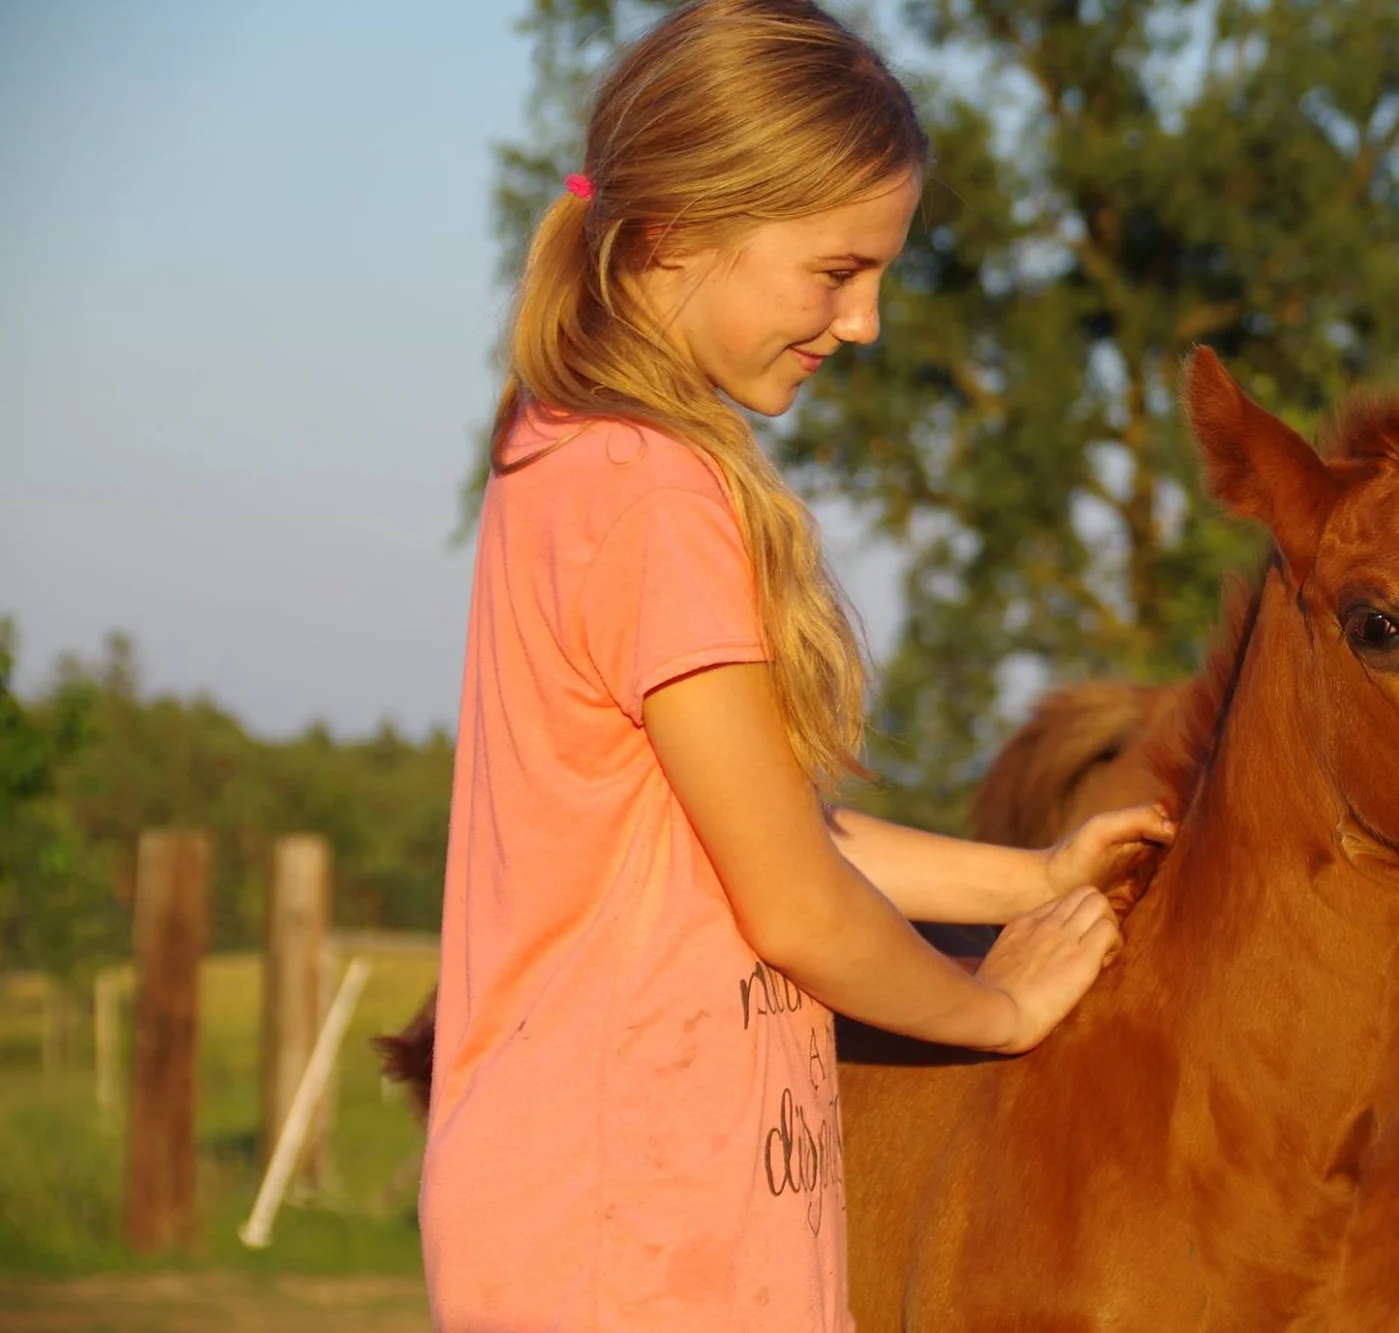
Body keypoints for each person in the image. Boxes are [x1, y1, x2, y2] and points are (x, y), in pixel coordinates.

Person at [418, 2, 1174, 1329]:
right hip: (635, 1227)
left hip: (631, 1213)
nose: (865, 321)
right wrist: (994, 1008)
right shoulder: (652, 498)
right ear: (674, 234)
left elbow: (765, 837)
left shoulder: (570, 451)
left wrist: (1038, 877)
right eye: (837, 271)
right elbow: (798, 909)